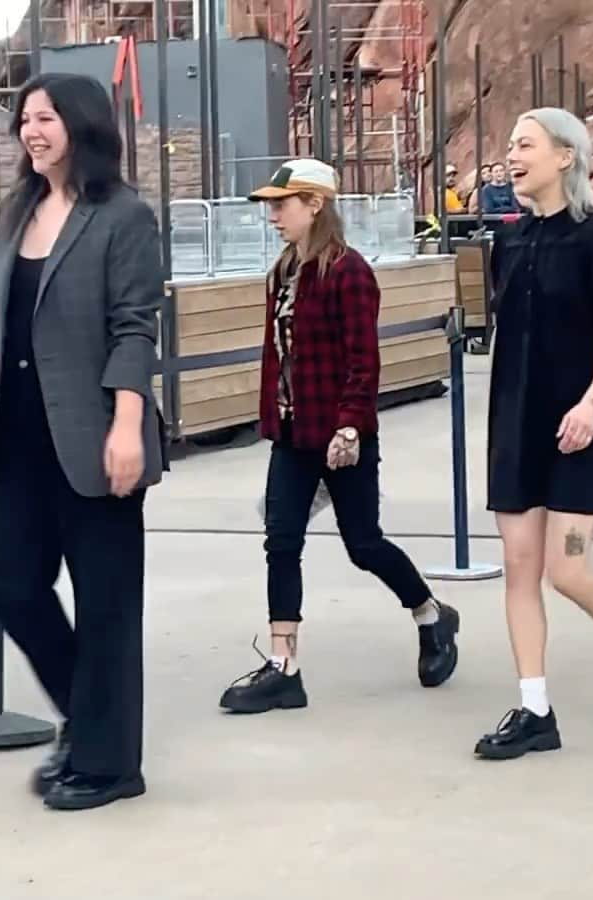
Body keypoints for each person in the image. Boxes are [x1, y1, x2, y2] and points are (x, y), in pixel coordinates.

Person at [0, 73, 166, 809]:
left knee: (107, 604)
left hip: (95, 436)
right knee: (7, 576)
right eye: (24, 119)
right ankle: (90, 723)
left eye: (45, 117)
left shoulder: (123, 217)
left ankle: (111, 765)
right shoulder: (13, 209)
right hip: (18, 437)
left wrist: (127, 429)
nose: (31, 130)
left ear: (82, 124)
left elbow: (134, 327)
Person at [219, 159, 460, 714]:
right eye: (271, 206)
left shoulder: (349, 272)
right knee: (281, 541)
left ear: (316, 204)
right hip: (293, 432)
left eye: (283, 204)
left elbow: (362, 358)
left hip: (340, 433)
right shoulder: (283, 271)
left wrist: (351, 423)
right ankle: (284, 665)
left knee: (364, 545)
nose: (273, 215)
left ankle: (430, 613)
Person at [476, 107, 593, 761]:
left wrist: (591, 406)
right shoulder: (511, 240)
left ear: (566, 156)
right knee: (520, 569)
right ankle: (535, 711)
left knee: (570, 570)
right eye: (508, 143)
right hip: (518, 427)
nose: (511, 154)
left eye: (524, 142)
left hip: (580, 428)